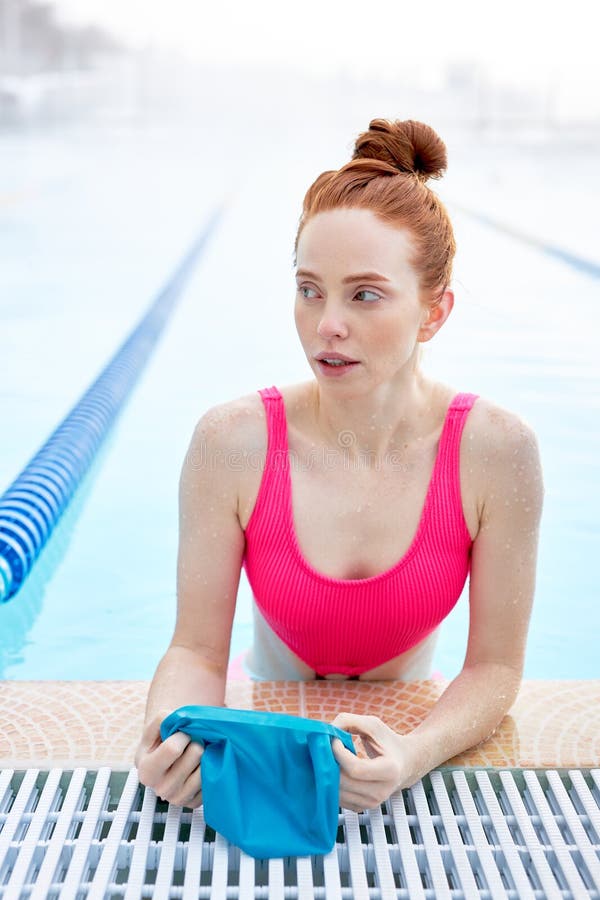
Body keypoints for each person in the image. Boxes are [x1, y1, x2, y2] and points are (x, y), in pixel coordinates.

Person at [134, 118, 544, 815]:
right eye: (309, 289)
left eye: (364, 294)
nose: (326, 324)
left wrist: (413, 752)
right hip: (267, 687)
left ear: (434, 313)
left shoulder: (495, 452)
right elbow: (197, 651)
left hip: (411, 715)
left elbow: (495, 670)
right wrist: (169, 733)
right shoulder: (231, 443)